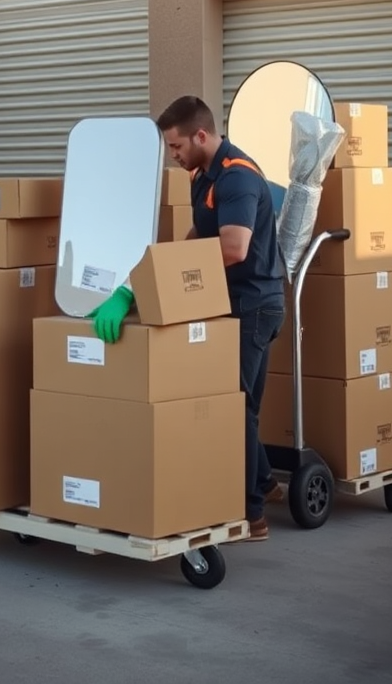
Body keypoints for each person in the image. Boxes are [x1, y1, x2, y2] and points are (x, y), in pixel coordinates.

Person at [154, 95, 286, 541]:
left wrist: (183, 267)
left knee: (235, 406)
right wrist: (165, 264)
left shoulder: (238, 178)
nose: (172, 156)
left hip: (255, 304)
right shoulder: (201, 176)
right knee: (241, 403)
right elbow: (201, 234)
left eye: (176, 147)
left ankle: (252, 516)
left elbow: (233, 248)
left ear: (202, 135)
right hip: (230, 301)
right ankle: (266, 484)